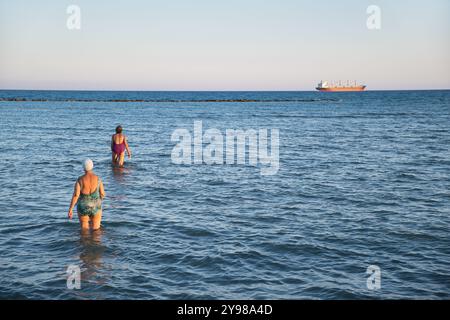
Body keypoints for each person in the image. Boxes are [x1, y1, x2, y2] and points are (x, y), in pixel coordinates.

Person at [68, 159, 105, 230]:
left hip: (83, 206)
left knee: (84, 230)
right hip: (96, 205)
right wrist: (98, 201)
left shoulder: (80, 180)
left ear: (83, 167)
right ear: (92, 166)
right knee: (96, 230)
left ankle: (84, 240)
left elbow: (76, 195)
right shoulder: (98, 179)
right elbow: (102, 194)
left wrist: (70, 209)